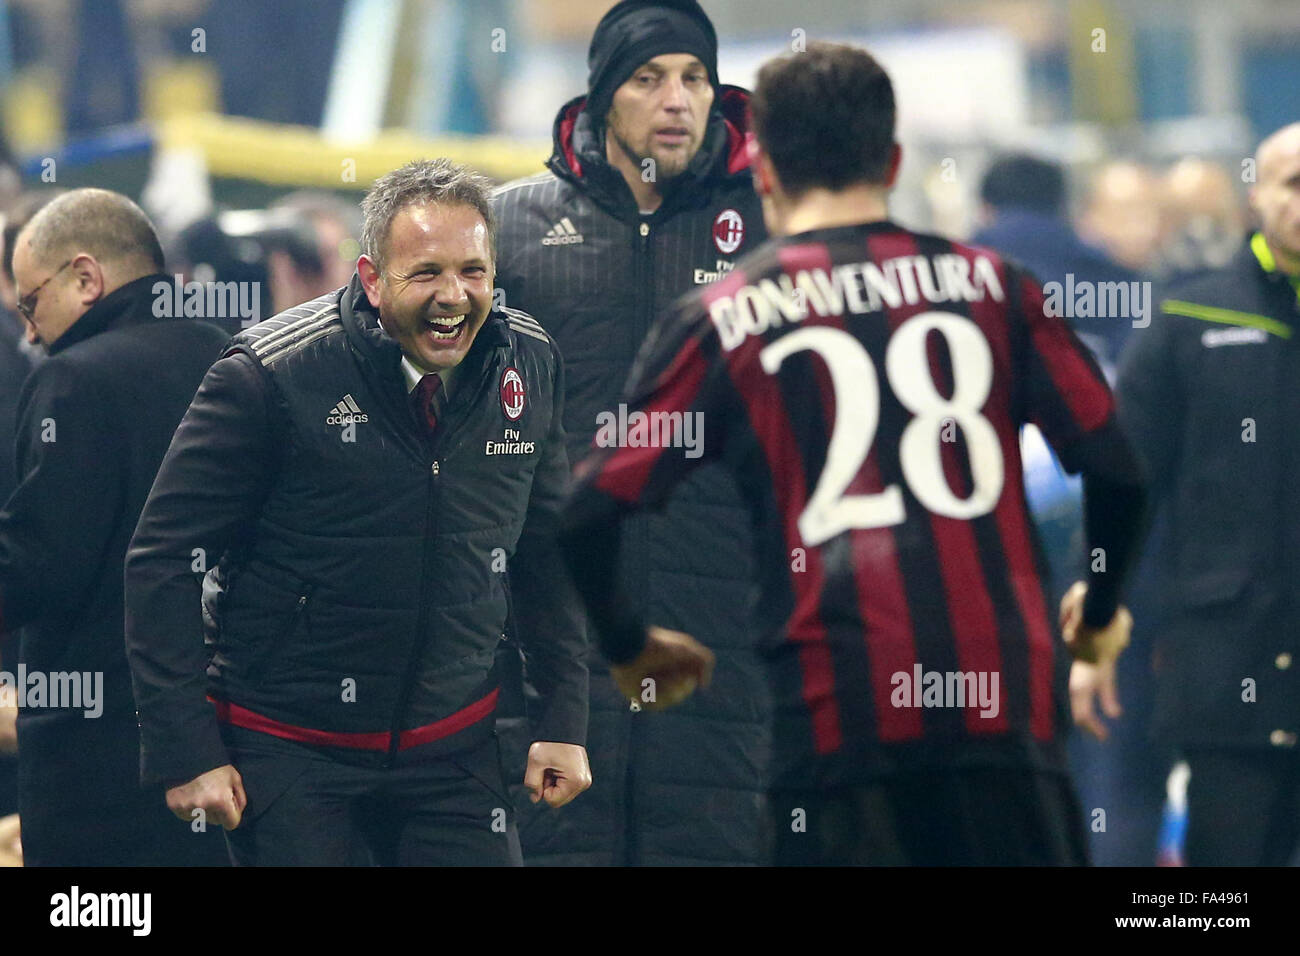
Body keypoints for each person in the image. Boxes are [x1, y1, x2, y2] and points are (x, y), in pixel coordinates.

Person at [560, 42, 1147, 866]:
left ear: (763, 168)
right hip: (1007, 726)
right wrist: (1102, 605)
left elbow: (588, 510)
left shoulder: (729, 317)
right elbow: (1119, 468)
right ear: (895, 159)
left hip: (836, 732)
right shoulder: (998, 289)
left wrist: (629, 648)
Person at [124, 158, 591, 866]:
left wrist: (563, 716)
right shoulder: (267, 378)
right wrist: (186, 747)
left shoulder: (528, 362)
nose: (454, 296)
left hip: (454, 750)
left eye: (473, 271)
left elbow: (548, 549)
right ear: (372, 280)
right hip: (290, 753)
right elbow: (162, 559)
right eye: (426, 272)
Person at [490, 0, 770, 868]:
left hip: (724, 618)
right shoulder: (513, 229)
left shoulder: (773, 227)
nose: (677, 99)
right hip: (554, 624)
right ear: (605, 94)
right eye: (649, 79)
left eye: (694, 78)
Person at [0, 188, 231, 865]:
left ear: (86, 277)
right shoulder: (233, 356)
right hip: (224, 731)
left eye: (30, 304)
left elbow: (42, 563)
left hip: (97, 752)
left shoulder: (72, 379)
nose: (30, 333)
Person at [1116, 122, 1300, 866]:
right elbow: (1122, 482)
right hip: (1229, 674)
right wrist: (1098, 621)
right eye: (1293, 182)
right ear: (1257, 196)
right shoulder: (1191, 321)